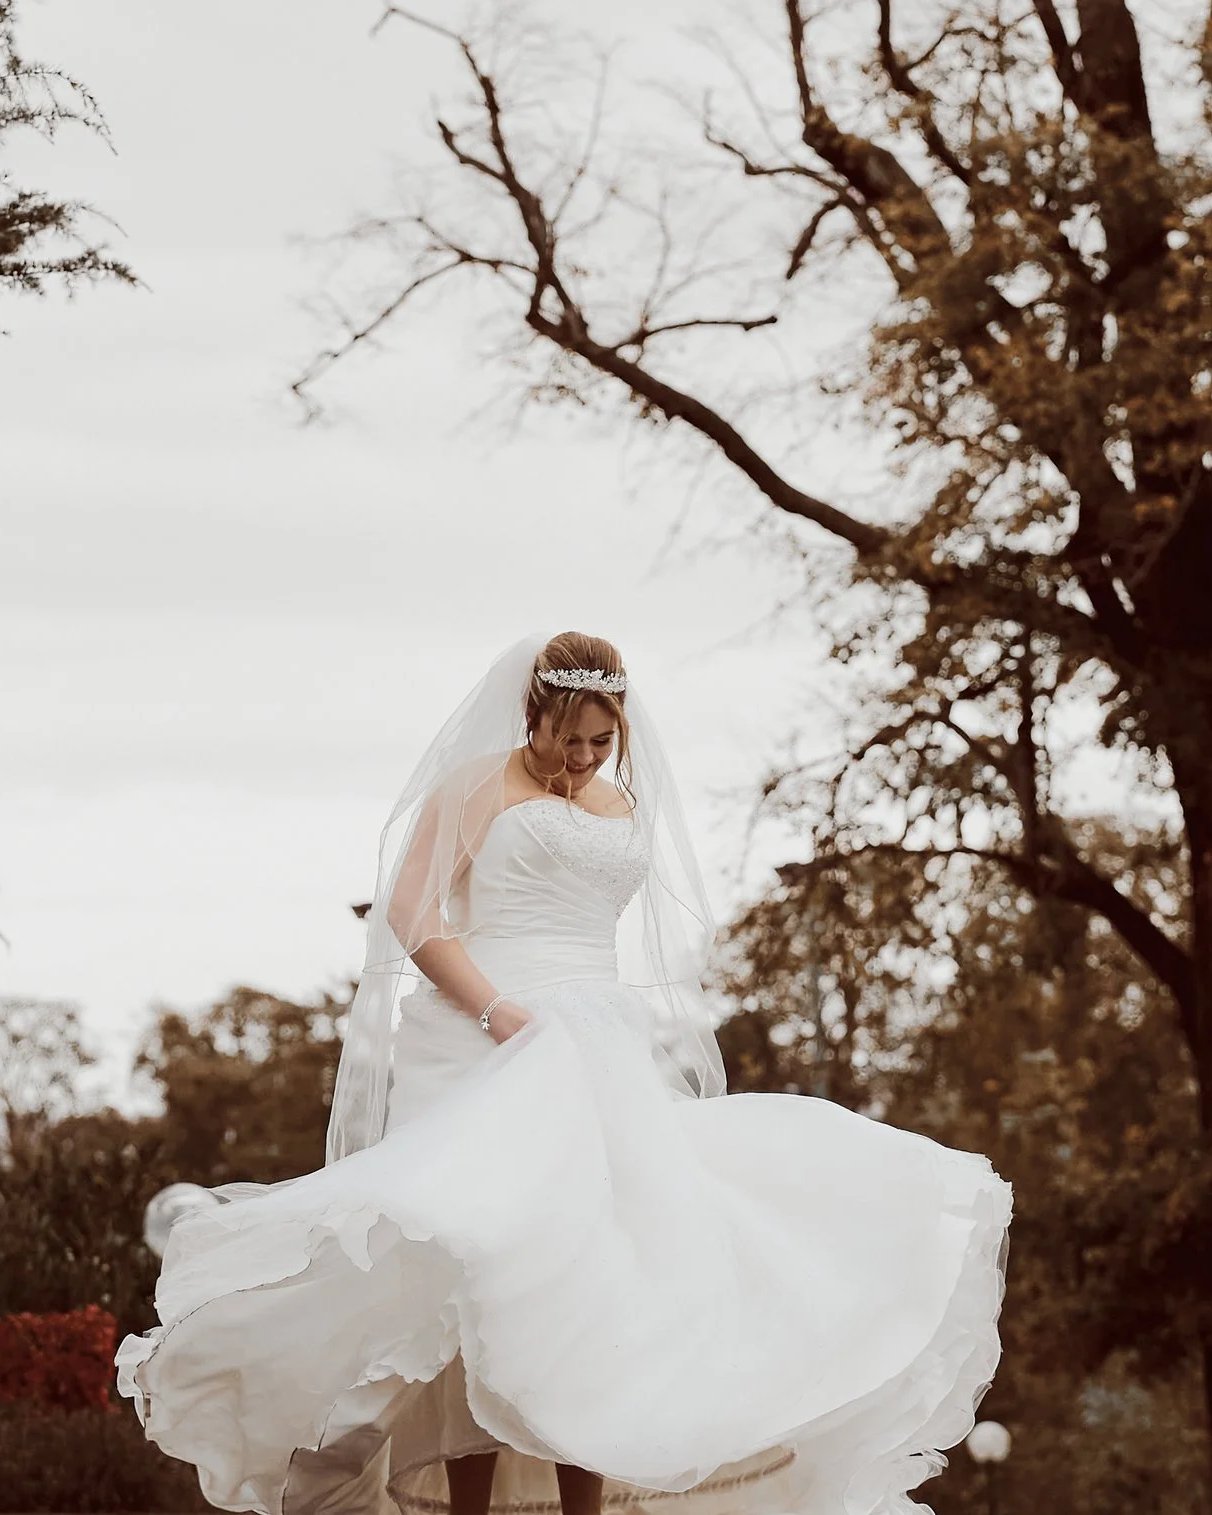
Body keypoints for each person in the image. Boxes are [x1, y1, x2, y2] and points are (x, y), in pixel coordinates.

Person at [115, 632, 1012, 1515]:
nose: (582, 758)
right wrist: (496, 1007)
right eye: (567, 737)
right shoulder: (475, 786)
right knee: (491, 1268)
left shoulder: (621, 805)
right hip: (485, 1038)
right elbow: (413, 911)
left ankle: (590, 1492)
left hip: (599, 1041)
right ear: (532, 714)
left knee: (595, 1270)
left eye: (600, 741)